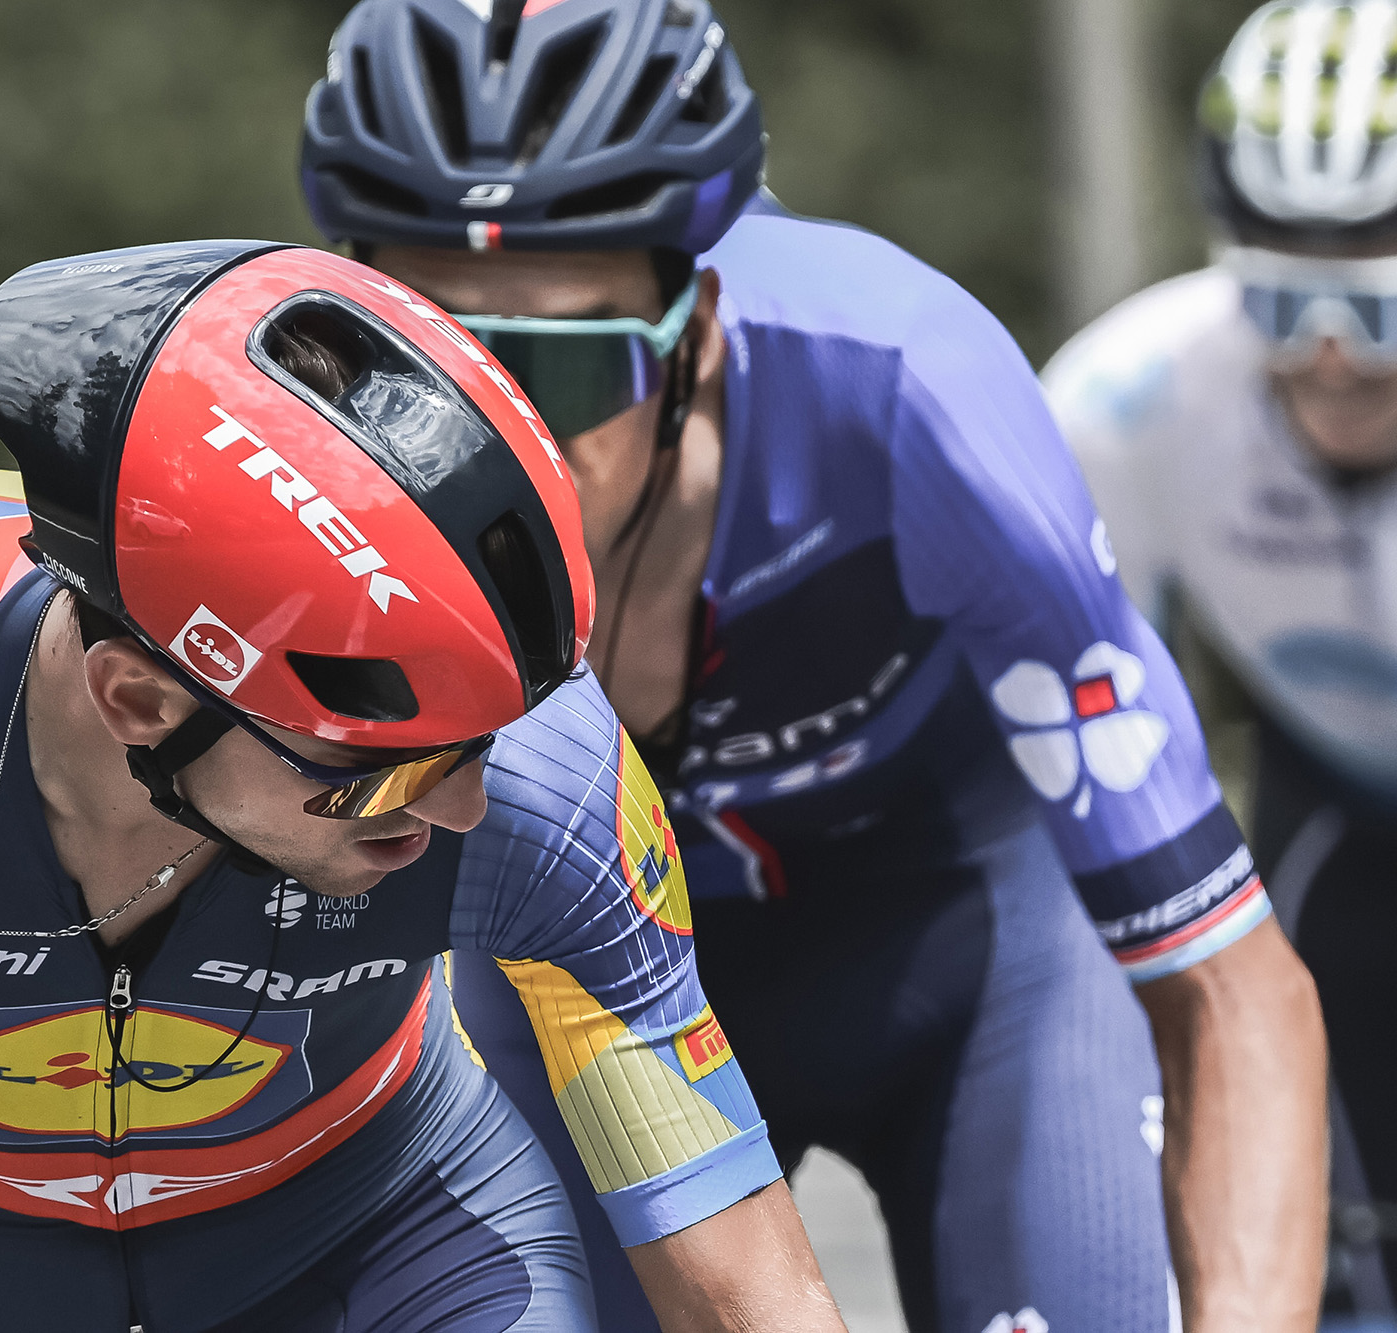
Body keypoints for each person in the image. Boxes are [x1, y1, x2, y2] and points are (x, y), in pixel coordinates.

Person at [0, 240, 849, 1332]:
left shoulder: (550, 776)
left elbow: (743, 1287)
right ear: (143, 703)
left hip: (380, 1235)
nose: (464, 807)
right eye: (393, 769)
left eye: (488, 738)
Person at [299, 2, 1329, 1330]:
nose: (493, 441)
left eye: (563, 368)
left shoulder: (906, 391)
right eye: (422, 372)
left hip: (973, 956)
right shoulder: (279, 450)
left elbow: (1229, 982)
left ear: (696, 329)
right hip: (588, 990)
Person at [1044, 0, 1397, 1318]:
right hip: (1334, 800)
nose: (1330, 349)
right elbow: (1066, 731)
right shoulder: (1130, 401)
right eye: (1283, 290)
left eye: (1381, 296)